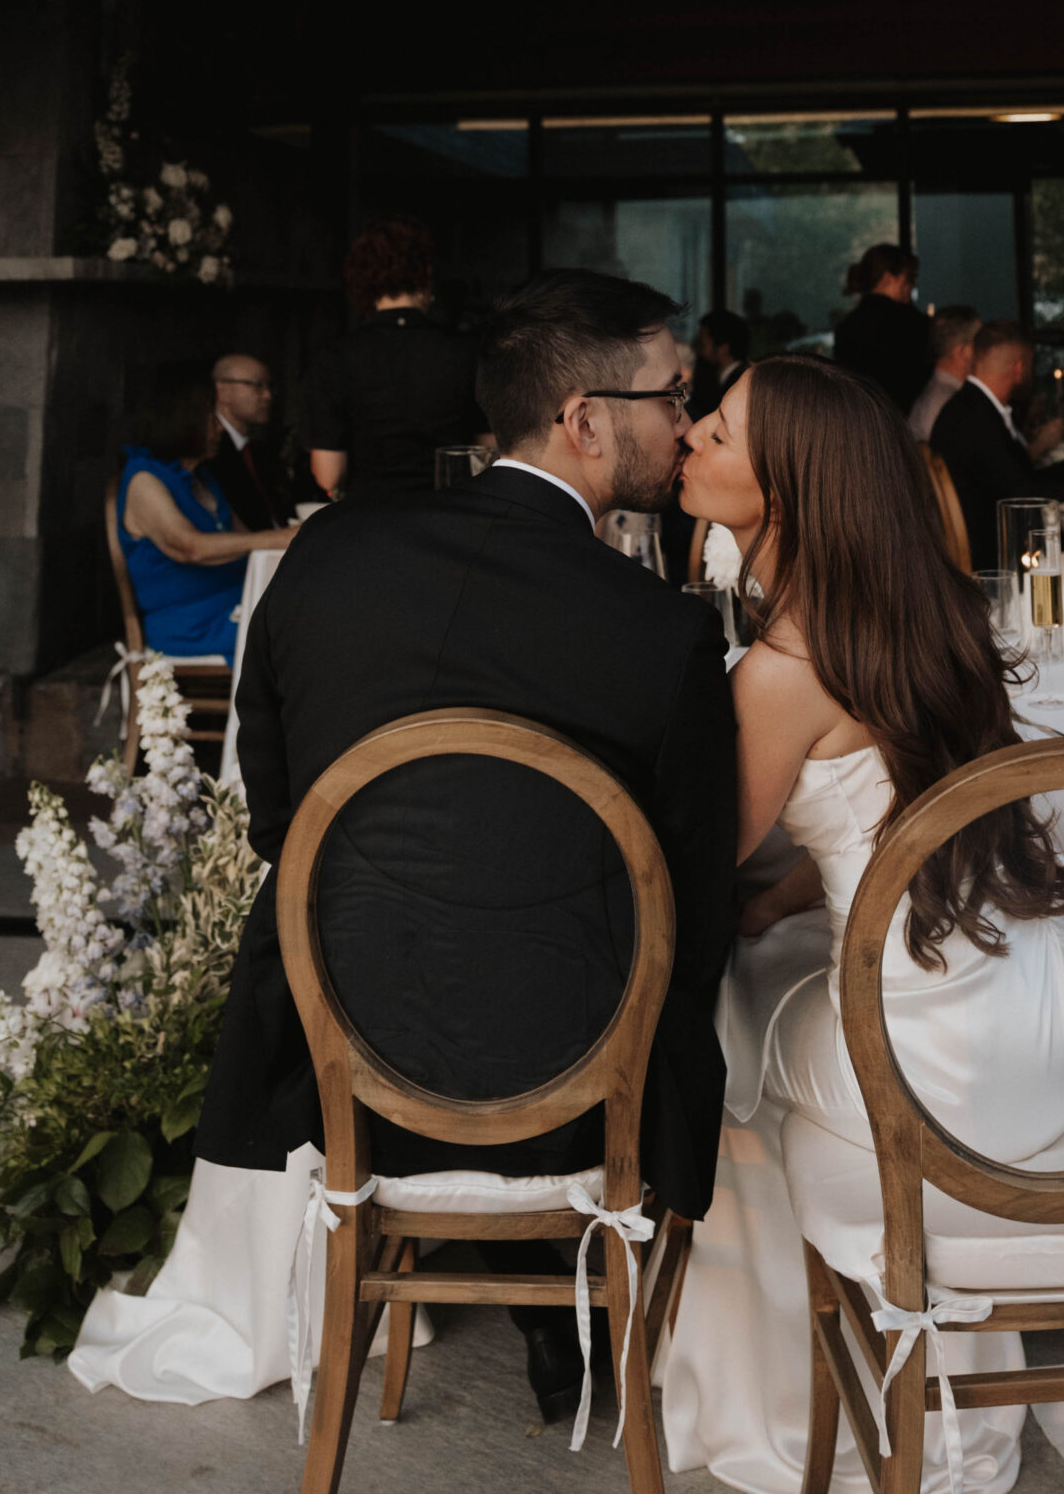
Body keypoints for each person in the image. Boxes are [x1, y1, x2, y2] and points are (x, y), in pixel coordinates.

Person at [195, 270, 736, 1424]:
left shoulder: (327, 554)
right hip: (582, 1087)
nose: (686, 420)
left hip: (341, 1053)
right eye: (674, 391)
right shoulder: (660, 629)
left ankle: (536, 1294)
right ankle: (583, 1300)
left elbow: (280, 818)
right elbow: (693, 912)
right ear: (586, 419)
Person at [667, 357, 1064, 1488]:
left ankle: (780, 1388)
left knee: (722, 1039)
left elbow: (695, 860)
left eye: (716, 433)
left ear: (783, 487)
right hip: (1060, 1005)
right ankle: (931, 1377)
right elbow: (891, 818)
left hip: (946, 1068)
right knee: (777, 948)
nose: (687, 439)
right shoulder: (923, 609)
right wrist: (790, 895)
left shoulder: (782, 666)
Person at [116, 360, 295, 662]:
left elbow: (247, 539)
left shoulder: (203, 477)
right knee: (303, 631)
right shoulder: (144, 479)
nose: (219, 430)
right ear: (182, 420)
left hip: (236, 602)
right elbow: (189, 548)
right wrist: (282, 538)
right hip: (192, 624)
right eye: (212, 419)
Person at [301, 216, 486, 498]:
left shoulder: (336, 357)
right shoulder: (468, 352)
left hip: (370, 524)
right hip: (451, 519)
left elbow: (328, 474)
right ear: (426, 275)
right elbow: (489, 455)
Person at [930, 320, 1064, 573]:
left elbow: (1021, 477)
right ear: (1019, 368)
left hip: (997, 543)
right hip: (996, 562)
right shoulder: (976, 421)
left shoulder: (971, 407)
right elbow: (1026, 496)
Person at [831, 242, 932, 415]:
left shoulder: (847, 326)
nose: (912, 285)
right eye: (910, 277)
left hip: (859, 418)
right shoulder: (909, 323)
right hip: (901, 419)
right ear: (888, 278)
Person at [204, 352, 289, 531]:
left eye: (269, 387)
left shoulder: (257, 449)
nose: (267, 396)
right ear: (223, 390)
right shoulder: (208, 449)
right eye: (257, 386)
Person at [904, 303, 979, 441]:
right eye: (979, 344)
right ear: (963, 351)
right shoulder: (945, 403)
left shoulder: (939, 394)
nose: (983, 352)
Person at [690, 306, 750, 419]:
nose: (698, 352)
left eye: (702, 345)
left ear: (723, 347)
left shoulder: (741, 382)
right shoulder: (720, 380)